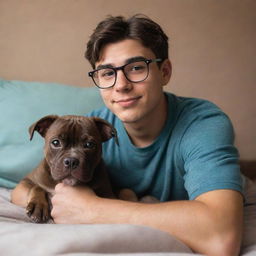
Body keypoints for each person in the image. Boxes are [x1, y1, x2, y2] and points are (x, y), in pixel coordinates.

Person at [12, 15, 244, 256]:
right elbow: (25, 189)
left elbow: (222, 237)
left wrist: (94, 209)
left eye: (135, 68)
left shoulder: (202, 123)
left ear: (164, 72)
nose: (121, 85)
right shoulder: (91, 128)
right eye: (107, 73)